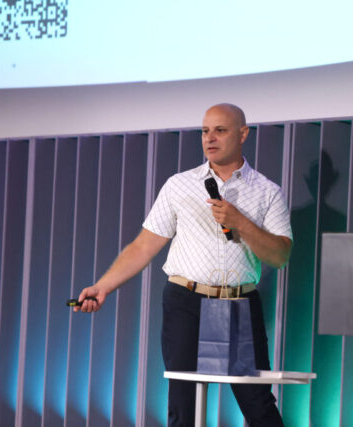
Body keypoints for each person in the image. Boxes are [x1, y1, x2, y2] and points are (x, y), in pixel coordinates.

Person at [74, 103, 292, 426]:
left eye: (220, 130)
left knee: (257, 402)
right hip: (186, 301)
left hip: (239, 303)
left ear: (243, 134)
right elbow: (143, 245)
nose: (210, 138)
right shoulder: (179, 185)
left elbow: (280, 255)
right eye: (205, 131)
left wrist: (240, 222)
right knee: (183, 403)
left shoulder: (267, 192)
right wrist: (103, 286)